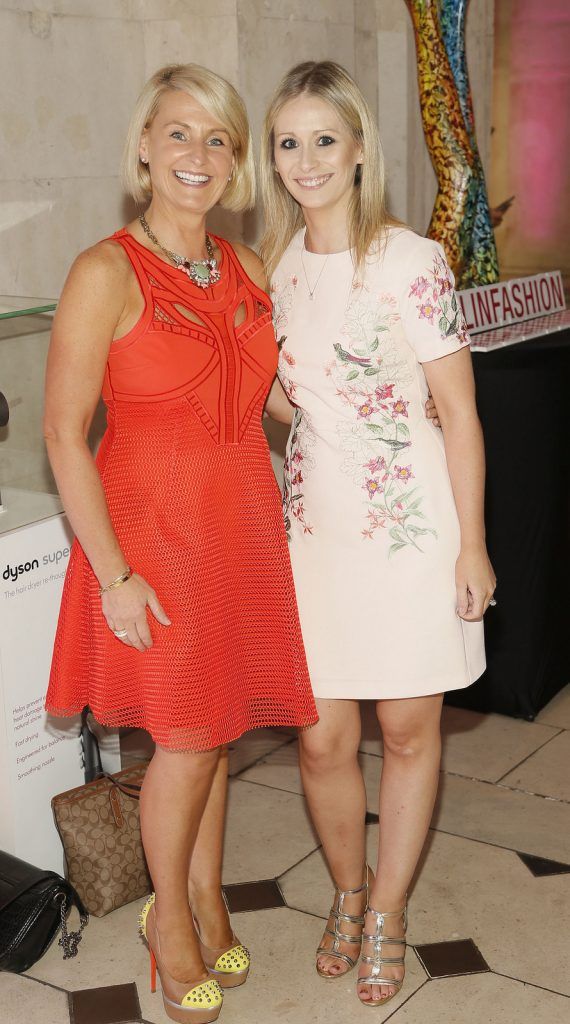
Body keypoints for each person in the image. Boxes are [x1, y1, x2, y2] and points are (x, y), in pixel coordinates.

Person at [44, 63, 317, 1024]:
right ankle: (168, 928)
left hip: (239, 527)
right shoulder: (104, 270)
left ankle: (201, 895)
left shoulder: (243, 266)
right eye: (179, 134)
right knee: (188, 742)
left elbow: (272, 399)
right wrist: (113, 573)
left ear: (236, 161)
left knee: (214, 732)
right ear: (145, 148)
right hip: (151, 541)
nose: (197, 156)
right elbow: (61, 434)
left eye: (218, 139)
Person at [259, 61, 496, 1009]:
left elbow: (462, 415)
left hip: (410, 534)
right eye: (290, 142)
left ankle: (388, 910)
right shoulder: (275, 266)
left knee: (405, 731)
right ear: (273, 159)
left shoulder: (412, 260)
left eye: (326, 139)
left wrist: (473, 542)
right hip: (314, 535)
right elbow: (287, 399)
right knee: (318, 741)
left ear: (360, 149)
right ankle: (346, 894)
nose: (308, 159)